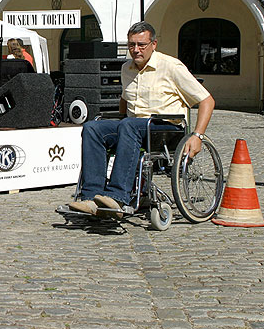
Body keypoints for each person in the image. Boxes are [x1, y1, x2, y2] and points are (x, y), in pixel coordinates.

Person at [67, 21, 215, 216]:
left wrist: (197, 136)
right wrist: (116, 122)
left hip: (165, 128)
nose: (136, 50)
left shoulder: (171, 66)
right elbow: (124, 100)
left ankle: (118, 196)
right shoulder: (126, 69)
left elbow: (207, 100)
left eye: (141, 45)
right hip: (134, 127)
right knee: (92, 128)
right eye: (131, 45)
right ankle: (91, 196)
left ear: (153, 44)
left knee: (129, 125)